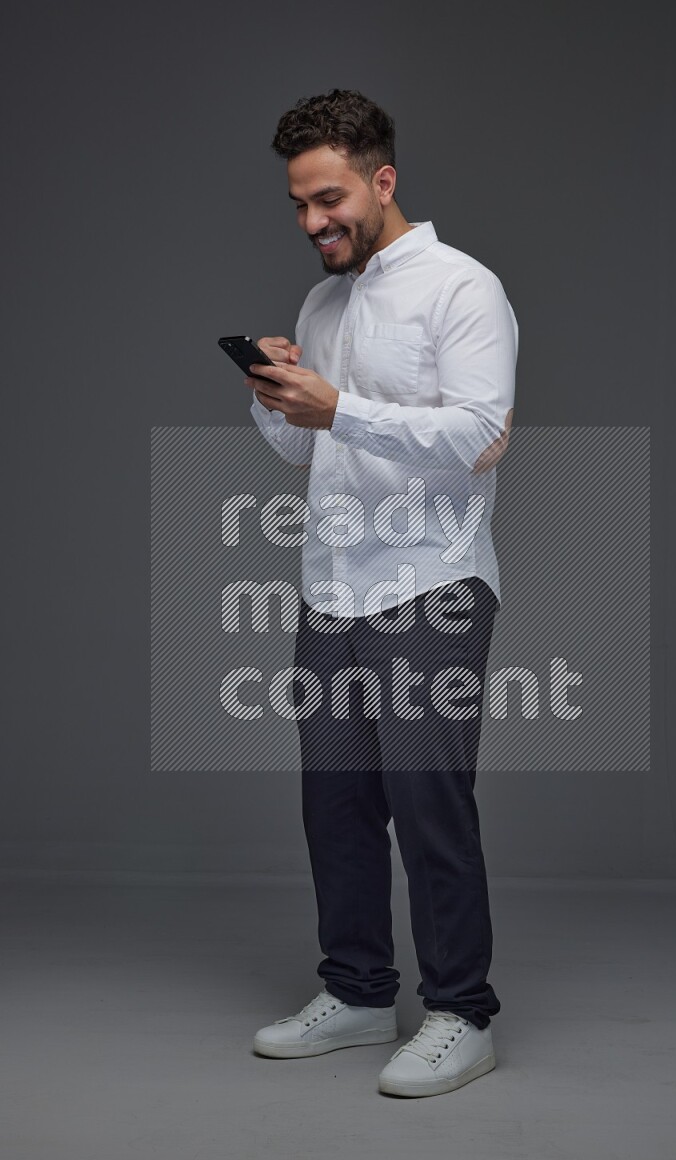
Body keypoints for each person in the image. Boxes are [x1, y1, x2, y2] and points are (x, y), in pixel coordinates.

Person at [247, 88, 518, 1098]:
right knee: (338, 804)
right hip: (331, 588)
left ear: (381, 179)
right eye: (300, 205)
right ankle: (359, 991)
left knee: (427, 801)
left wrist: (341, 404)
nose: (315, 221)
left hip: (430, 586)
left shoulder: (462, 288)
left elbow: (478, 431)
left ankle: (460, 1011)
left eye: (329, 199)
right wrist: (276, 395)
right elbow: (306, 443)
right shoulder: (323, 303)